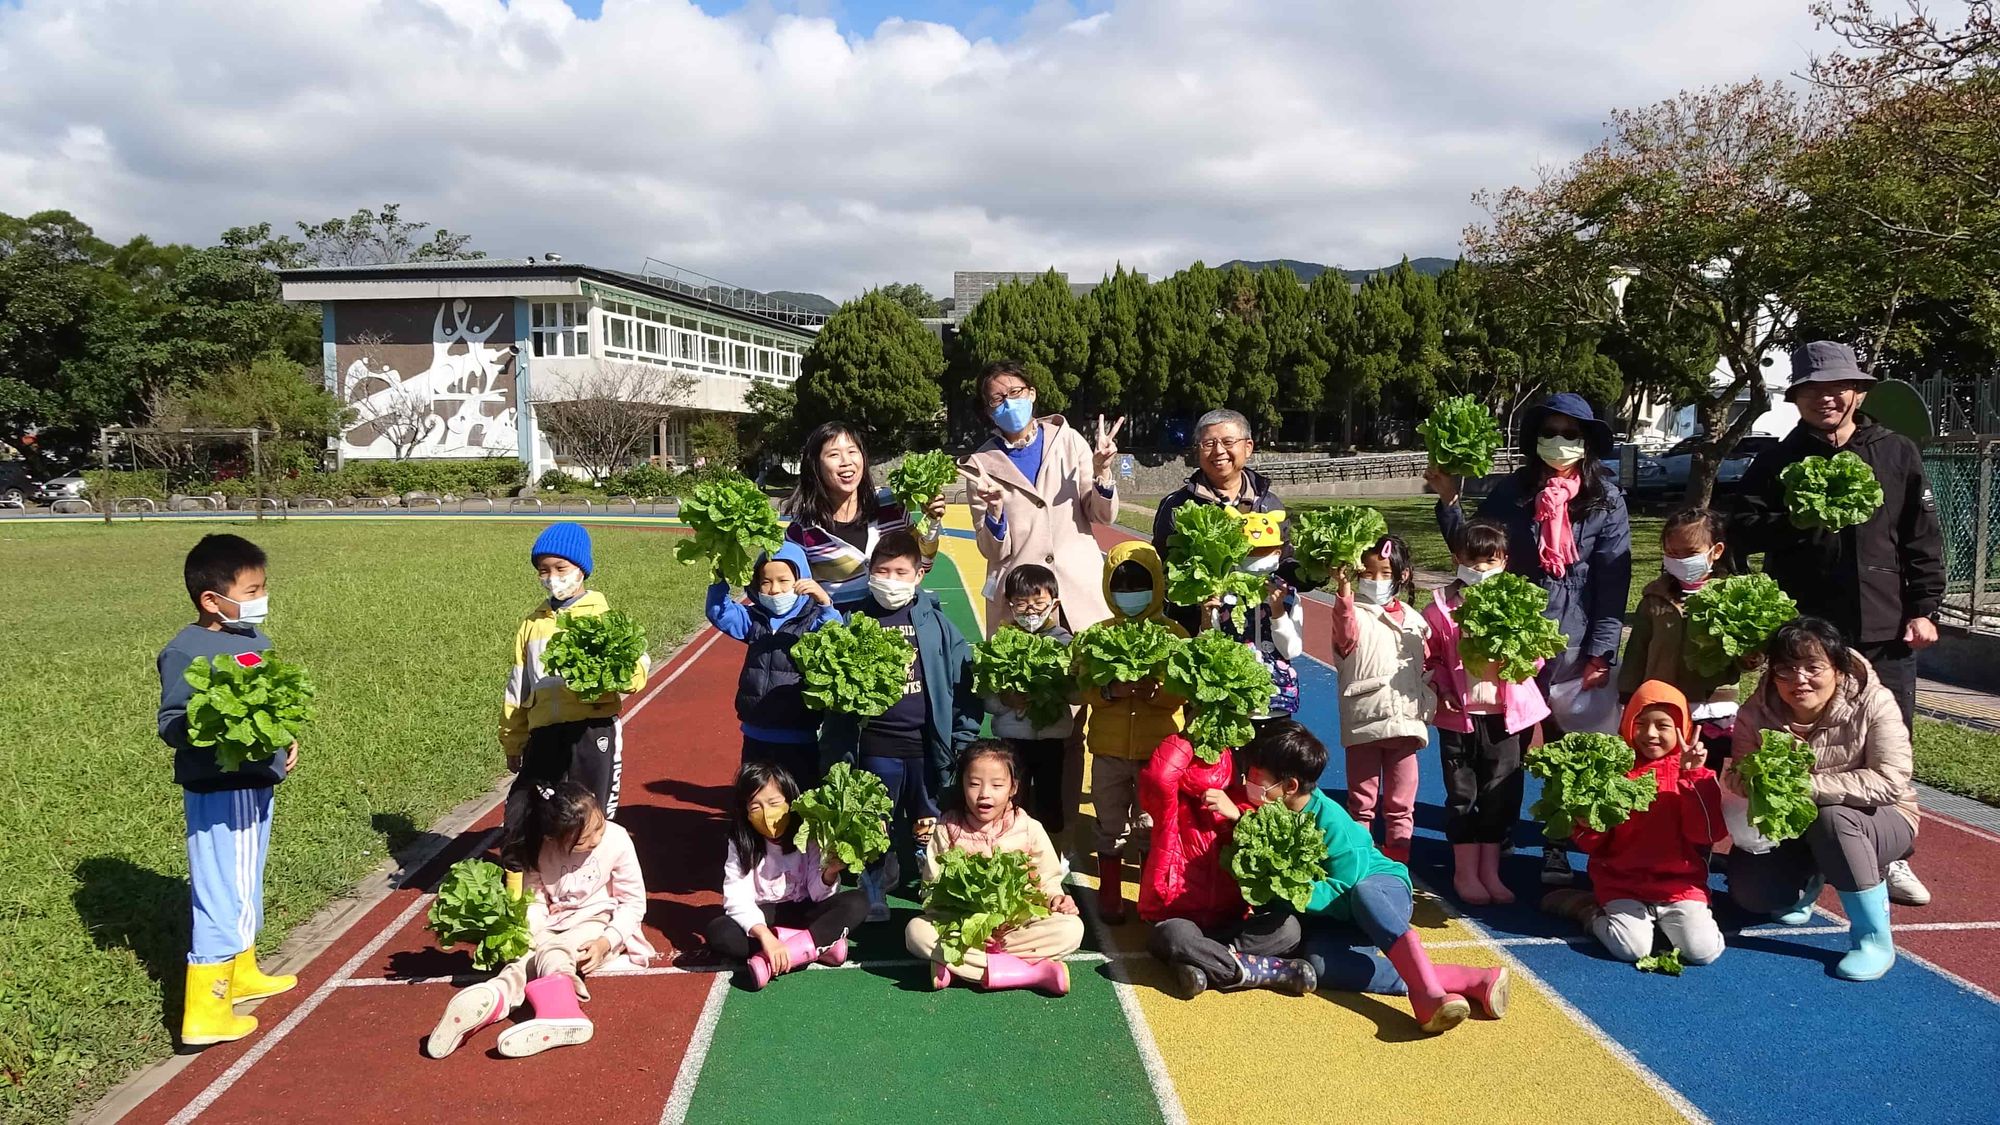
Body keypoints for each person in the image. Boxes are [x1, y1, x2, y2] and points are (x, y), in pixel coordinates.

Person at [1730, 340, 1944, 907]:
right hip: (1805, 631)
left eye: (1838, 388)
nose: (1827, 398)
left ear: (1857, 393)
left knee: (1888, 740)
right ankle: (1807, 852)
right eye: (1813, 389)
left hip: (1884, 628)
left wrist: (1924, 608)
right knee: (1797, 740)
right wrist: (1792, 520)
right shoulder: (1777, 458)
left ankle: (1889, 854)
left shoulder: (1896, 452)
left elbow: (1921, 538)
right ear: (1797, 397)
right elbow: (1741, 531)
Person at [1429, 392, 1633, 886]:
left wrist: (1601, 652)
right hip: (1510, 638)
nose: (1558, 443)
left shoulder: (1607, 500)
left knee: (1569, 744)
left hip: (1573, 638)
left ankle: (1558, 844)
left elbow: (1613, 581)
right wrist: (1449, 502)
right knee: (1506, 741)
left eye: (1570, 434)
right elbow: (1476, 545)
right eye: (1549, 432)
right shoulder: (1512, 491)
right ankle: (1496, 832)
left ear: (1586, 443)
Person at [1231, 721, 1509, 1033]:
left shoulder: (1331, 822)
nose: (1247, 782)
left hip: (1382, 893)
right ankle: (1470, 979)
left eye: (1255, 777)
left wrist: (1287, 891)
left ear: (1290, 786)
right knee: (1322, 965)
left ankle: (1427, 996)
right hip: (1339, 919)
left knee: (1365, 892)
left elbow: (1342, 890)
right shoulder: (1268, 813)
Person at [157, 533, 298, 1047]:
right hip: (220, 784)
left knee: (246, 875)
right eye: (252, 589)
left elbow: (274, 702)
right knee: (223, 888)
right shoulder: (185, 651)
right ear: (210, 599)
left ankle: (241, 970)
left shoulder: (254, 643)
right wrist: (211, 725)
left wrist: (284, 737)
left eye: (264, 587)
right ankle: (205, 1009)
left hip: (258, 778)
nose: (262, 598)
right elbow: (172, 720)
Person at [1725, 618, 1919, 981]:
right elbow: (1744, 768)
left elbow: (1889, 781)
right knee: (1755, 896)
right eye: (1785, 670)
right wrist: (1743, 783)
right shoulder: (1755, 712)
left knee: (1834, 819)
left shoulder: (1874, 701)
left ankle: (1872, 939)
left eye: (1813, 667)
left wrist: (1805, 786)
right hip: (1795, 824)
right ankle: (1811, 879)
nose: (1799, 680)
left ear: (1837, 667)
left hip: (1881, 819)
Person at [426, 782, 655, 1058]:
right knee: (522, 962)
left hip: (599, 921)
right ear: (552, 839)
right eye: (583, 840)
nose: (596, 838)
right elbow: (534, 900)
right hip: (554, 922)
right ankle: (493, 997)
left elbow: (633, 902)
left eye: (599, 827)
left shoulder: (617, 840)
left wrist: (607, 942)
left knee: (556, 952)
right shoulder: (538, 849)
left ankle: (560, 1011)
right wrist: (532, 935)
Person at [822, 532, 981, 921]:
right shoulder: (852, 619)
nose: (890, 580)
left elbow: (963, 683)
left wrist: (963, 734)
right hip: (876, 744)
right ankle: (875, 881)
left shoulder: (939, 625)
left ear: (918, 575)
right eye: (882, 571)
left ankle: (931, 883)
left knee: (928, 820)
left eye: (900, 572)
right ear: (869, 573)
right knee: (878, 818)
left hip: (927, 746)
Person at [1542, 682, 1728, 968]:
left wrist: (1693, 777)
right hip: (1621, 883)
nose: (1650, 734)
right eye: (1640, 724)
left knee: (1703, 952)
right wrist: (1584, 823)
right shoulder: (1612, 771)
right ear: (1627, 723)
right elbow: (1595, 844)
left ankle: (1666, 923)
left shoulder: (1696, 773)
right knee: (1631, 949)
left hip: (1680, 886)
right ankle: (1588, 910)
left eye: (1663, 725)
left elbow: (1707, 833)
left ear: (1683, 728)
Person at [1138, 714, 1317, 998]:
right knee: (1172, 938)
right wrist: (1192, 733)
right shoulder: (1172, 805)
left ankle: (1204, 966)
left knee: (1289, 929)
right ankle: (1262, 972)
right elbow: (1159, 778)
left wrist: (1235, 816)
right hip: (1179, 917)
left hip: (1231, 921)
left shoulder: (1246, 804)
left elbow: (1265, 846)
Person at [500, 523, 651, 856]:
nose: (552, 576)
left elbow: (638, 669)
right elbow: (517, 686)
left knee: (591, 818)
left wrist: (616, 676)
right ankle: (525, 887)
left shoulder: (604, 616)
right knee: (522, 817)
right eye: (544, 570)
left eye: (560, 568)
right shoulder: (532, 623)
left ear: (581, 569)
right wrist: (513, 738)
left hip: (591, 732)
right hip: (544, 735)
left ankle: (596, 888)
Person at [1423, 519, 1549, 905]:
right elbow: (1431, 659)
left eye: (1489, 562)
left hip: (1504, 718)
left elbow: (1539, 656)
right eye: (1472, 561)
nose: (1480, 570)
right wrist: (1441, 686)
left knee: (1500, 794)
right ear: (1457, 559)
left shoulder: (1520, 602)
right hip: (1459, 718)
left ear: (1505, 562)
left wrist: (1518, 652)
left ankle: (1490, 872)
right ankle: (1465, 872)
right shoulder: (1441, 607)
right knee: (1463, 794)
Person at [962, 360, 1125, 633]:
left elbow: (1103, 516)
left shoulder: (1069, 441)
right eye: (997, 399)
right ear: (988, 411)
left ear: (1032, 393)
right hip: (1023, 601)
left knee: (1090, 670)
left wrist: (1102, 472)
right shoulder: (979, 466)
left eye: (1016, 392)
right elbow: (991, 550)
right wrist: (995, 513)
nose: (1009, 403)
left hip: (1080, 591)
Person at [906, 742, 1084, 993]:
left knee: (1072, 928)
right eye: (974, 783)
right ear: (962, 785)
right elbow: (932, 892)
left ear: (1014, 788)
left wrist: (1057, 899)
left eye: (997, 785)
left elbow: (1048, 880)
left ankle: (961, 969)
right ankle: (1032, 973)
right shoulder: (946, 830)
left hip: (1017, 929)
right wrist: (967, 923)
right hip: (965, 930)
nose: (984, 794)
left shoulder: (1030, 827)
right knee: (916, 933)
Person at [1083, 542, 1188, 923]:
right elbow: (1081, 684)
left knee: (1149, 824)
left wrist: (1158, 695)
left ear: (1157, 585)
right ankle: (1109, 893)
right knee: (1109, 822)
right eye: (1120, 587)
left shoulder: (1174, 635)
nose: (1129, 595)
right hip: (1108, 749)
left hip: (1154, 752)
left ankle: (1149, 892)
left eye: (1139, 586)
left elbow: (1186, 689)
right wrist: (1109, 691)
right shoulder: (1096, 635)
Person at [702, 762, 870, 990]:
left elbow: (818, 894)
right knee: (719, 932)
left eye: (774, 803)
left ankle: (771, 961)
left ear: (790, 801)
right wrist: (765, 937)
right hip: (765, 916)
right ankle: (821, 946)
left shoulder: (809, 834)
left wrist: (829, 872)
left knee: (858, 901)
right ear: (745, 813)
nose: (767, 814)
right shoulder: (740, 843)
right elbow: (736, 899)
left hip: (805, 908)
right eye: (755, 807)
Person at [1329, 535, 1435, 864]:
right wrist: (1344, 591)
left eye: (1385, 574)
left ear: (1402, 576)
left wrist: (1430, 695)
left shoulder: (1416, 620)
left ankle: (1398, 857)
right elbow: (1344, 633)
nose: (1376, 581)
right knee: (1362, 800)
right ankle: (1360, 857)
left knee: (1402, 801)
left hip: (1405, 721)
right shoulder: (1353, 613)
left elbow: (1428, 664)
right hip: (1365, 720)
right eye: (1368, 574)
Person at [1150, 408, 1298, 642]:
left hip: (1260, 635)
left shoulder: (1269, 504)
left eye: (1228, 441)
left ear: (1248, 447)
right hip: (1197, 631)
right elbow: (1162, 570)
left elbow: (1285, 561)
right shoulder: (1176, 506)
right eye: (1208, 443)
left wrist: (1311, 573)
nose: (1218, 451)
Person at [1620, 508, 1754, 767]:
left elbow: (1746, 658)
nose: (1680, 560)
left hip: (1711, 709)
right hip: (1661, 709)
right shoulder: (1653, 599)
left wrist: (1751, 654)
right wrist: (1627, 697)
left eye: (1690, 554)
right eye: (1672, 553)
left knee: (1708, 775)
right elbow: (1636, 651)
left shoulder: (1733, 599)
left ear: (1715, 551)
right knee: (1663, 777)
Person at [707, 542, 842, 786]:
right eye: (766, 582)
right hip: (755, 731)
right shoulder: (753, 618)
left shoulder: (811, 621)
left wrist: (824, 603)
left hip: (799, 734)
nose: (774, 590)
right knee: (755, 794)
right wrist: (720, 577)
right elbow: (719, 612)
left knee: (798, 797)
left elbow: (836, 634)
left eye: (783, 581)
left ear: (801, 580)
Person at [782, 422, 942, 609]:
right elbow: (789, 592)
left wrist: (932, 521)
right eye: (834, 454)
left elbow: (923, 564)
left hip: (896, 625)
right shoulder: (801, 530)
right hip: (839, 631)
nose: (846, 461)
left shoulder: (890, 504)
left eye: (852, 451)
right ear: (815, 464)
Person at [982, 565, 1076, 833]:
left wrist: (1064, 683)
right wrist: (1007, 700)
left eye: (1038, 603)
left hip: (1051, 739)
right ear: (1010, 605)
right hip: (1012, 740)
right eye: (1021, 604)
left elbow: (1077, 694)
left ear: (1054, 603)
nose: (1030, 611)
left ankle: (1050, 860)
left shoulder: (1065, 644)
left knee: (1049, 802)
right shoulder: (1001, 642)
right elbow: (988, 700)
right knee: (1012, 800)